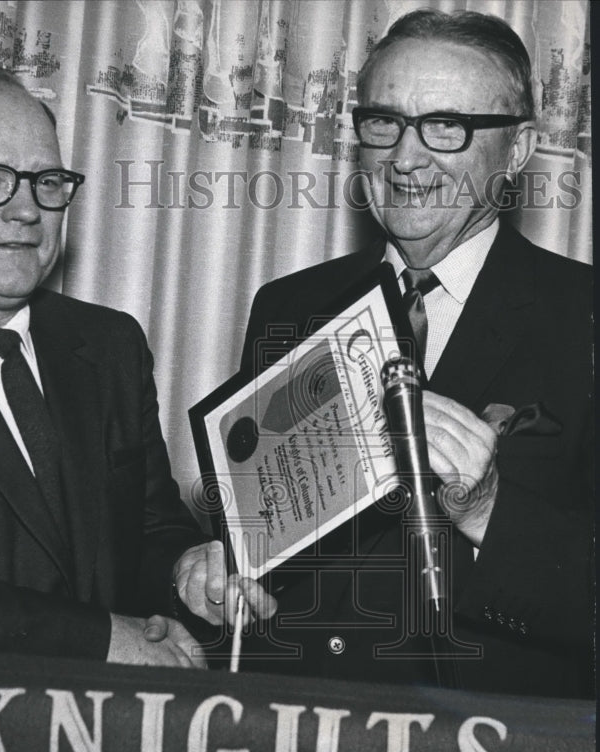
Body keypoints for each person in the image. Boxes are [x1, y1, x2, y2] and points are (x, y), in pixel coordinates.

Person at [0, 66, 275, 669]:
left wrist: (186, 570)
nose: (26, 210)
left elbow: (149, 531)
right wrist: (98, 639)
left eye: (47, 182)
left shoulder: (108, 346)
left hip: (108, 742)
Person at [239, 10, 592, 697]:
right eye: (384, 121)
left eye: (446, 126)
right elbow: (266, 535)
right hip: (294, 744)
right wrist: (224, 566)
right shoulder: (289, 307)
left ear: (517, 151)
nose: (405, 156)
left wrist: (489, 510)